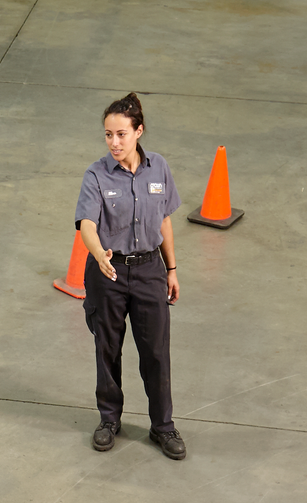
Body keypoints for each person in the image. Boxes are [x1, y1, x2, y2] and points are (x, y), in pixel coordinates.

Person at [74, 92, 185, 460]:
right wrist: (97, 254)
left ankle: (163, 426)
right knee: (107, 347)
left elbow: (165, 221)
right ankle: (109, 420)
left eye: (121, 134)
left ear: (139, 131)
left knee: (155, 351)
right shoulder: (96, 174)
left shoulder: (160, 169)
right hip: (108, 271)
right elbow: (87, 224)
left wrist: (171, 269)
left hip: (149, 269)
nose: (114, 143)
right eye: (108, 135)